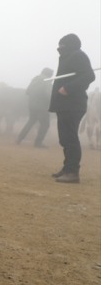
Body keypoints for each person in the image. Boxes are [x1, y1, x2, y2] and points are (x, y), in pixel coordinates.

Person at [49, 34, 96, 183]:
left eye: (62, 44)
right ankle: (67, 167)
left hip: (72, 104)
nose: (59, 47)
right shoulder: (68, 56)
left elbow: (89, 75)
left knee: (70, 138)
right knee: (65, 138)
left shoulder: (77, 55)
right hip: (65, 105)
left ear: (69, 44)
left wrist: (68, 88)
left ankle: (72, 172)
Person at [15, 67, 53, 148]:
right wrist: (53, 101)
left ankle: (19, 138)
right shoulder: (47, 80)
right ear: (49, 75)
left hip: (32, 105)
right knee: (45, 124)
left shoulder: (35, 79)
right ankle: (38, 143)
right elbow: (48, 94)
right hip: (42, 106)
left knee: (31, 121)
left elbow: (27, 91)